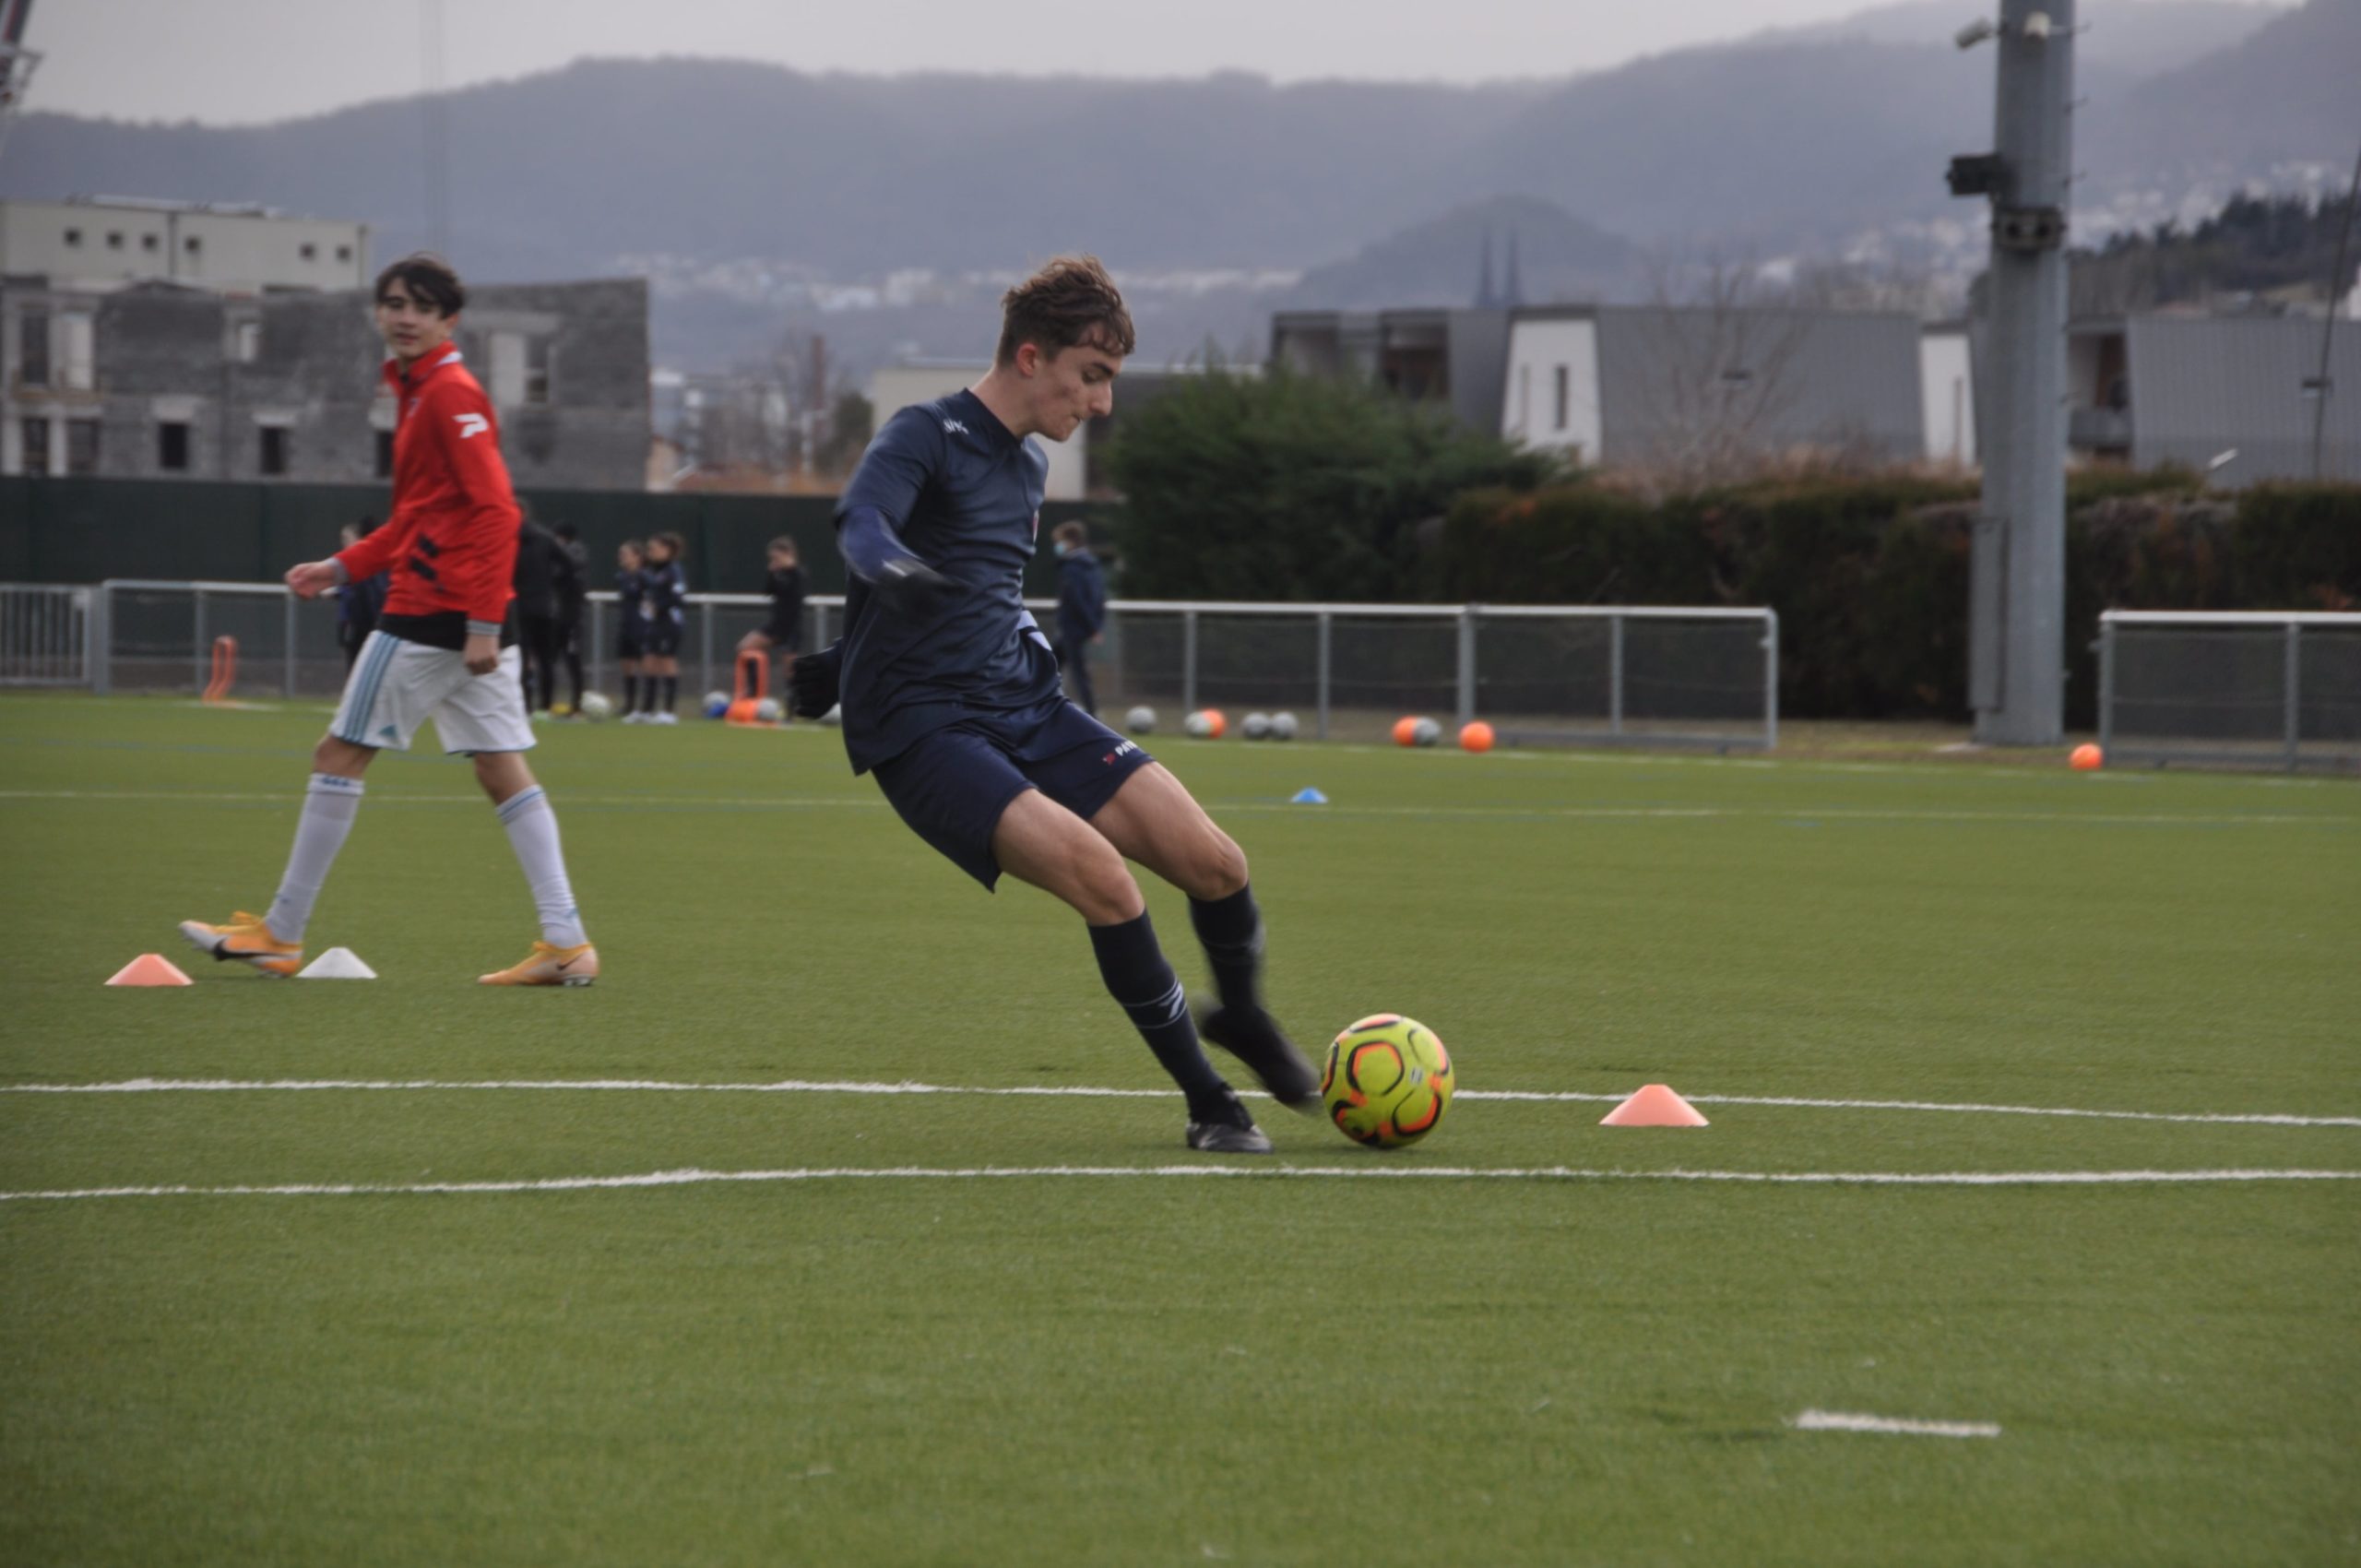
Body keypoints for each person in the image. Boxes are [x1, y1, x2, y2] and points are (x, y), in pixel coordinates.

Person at [789, 255, 1311, 1153]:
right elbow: (862, 525)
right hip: (924, 727)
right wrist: (891, 580)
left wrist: (839, 658)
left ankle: (1245, 1015)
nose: (1101, 403)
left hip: (1022, 701)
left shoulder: (1028, 468)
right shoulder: (925, 433)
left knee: (1216, 861)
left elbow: (973, 600)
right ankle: (1209, 1101)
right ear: (1031, 357)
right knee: (1105, 881)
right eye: (1091, 377)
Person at [177, 254, 599, 986]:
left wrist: (479, 624)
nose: (405, 316)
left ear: (448, 320)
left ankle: (281, 933)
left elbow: (497, 511)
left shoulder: (446, 394)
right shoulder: (416, 391)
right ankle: (566, 942)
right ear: (379, 311)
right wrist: (340, 569)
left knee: (337, 757)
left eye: (422, 307)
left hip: (433, 617)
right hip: (461, 616)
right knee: (502, 771)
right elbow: (418, 518)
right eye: (394, 302)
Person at [510, 506, 566, 718]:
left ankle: (525, 707)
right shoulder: (546, 538)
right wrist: (549, 583)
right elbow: (570, 564)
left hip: (520, 607)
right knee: (545, 659)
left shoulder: (509, 539)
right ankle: (546, 706)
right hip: (544, 607)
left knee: (522, 659)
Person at [735, 536, 805, 700]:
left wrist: (789, 569)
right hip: (775, 625)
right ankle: (753, 692)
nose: (774, 561)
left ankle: (791, 709)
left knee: (790, 669)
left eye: (777, 557)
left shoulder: (798, 574)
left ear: (787, 554)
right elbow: (768, 591)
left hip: (791, 627)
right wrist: (772, 572)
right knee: (745, 647)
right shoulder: (777, 573)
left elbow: (797, 597)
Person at [1050, 519, 1107, 716]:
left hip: (1071, 628)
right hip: (1077, 628)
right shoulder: (1092, 565)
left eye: (1060, 542)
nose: (1057, 546)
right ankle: (1050, 708)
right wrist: (1095, 625)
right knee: (1051, 666)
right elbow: (1099, 598)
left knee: (1074, 673)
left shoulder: (1072, 568)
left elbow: (1077, 599)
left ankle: (1091, 714)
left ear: (1070, 542)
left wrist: (1092, 627)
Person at [632, 530, 687, 723]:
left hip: (669, 623)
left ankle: (668, 711)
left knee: (666, 661)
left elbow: (678, 598)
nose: (650, 552)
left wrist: (659, 607)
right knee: (649, 661)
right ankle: (647, 710)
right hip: (655, 623)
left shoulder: (673, 570)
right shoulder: (654, 571)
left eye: (654, 548)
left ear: (667, 550)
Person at [334, 518, 390, 674]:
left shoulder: (367, 566)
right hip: (356, 624)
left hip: (365, 626)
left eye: (347, 539)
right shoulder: (350, 566)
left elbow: (369, 595)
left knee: (361, 670)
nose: (344, 543)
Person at [551, 521, 588, 715]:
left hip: (571, 618)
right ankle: (546, 702)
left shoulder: (574, 558)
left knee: (573, 660)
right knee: (549, 659)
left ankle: (578, 704)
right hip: (556, 617)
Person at [614, 539, 648, 719]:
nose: (622, 557)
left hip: (641, 626)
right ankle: (629, 704)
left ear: (637, 557)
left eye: (625, 554)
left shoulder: (645, 577)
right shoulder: (622, 577)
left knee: (644, 664)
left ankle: (645, 706)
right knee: (626, 664)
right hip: (626, 624)